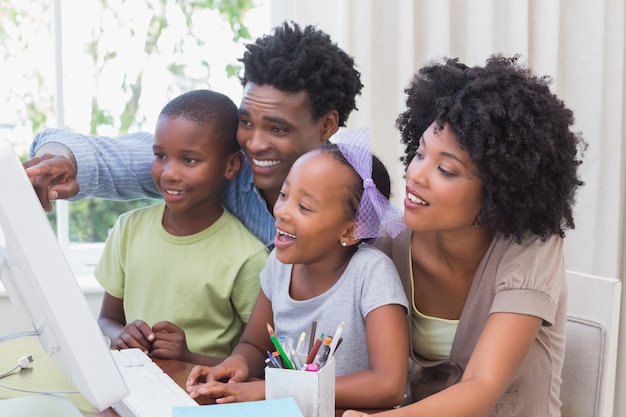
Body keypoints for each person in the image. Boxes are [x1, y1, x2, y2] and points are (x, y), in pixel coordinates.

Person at [343, 55, 587, 417]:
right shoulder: (390, 243)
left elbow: (482, 386)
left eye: (445, 169)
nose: (416, 175)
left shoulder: (532, 246)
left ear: (498, 190)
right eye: (420, 153)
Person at [23, 21, 363, 247]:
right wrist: (62, 157)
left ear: (327, 126)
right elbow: (107, 157)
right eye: (247, 122)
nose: (254, 144)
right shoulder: (222, 164)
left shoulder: (357, 196)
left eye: (277, 128)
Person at [185, 129, 410, 409]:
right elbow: (254, 345)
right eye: (284, 194)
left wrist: (277, 390)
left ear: (352, 230)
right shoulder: (278, 266)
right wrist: (236, 363)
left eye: (304, 206)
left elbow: (388, 386)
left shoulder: (372, 273)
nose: (282, 211)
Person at [95, 89, 268, 366]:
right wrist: (122, 337)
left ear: (231, 165)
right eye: (160, 155)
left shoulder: (248, 256)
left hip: (200, 398)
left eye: (189, 160)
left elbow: (258, 358)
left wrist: (187, 358)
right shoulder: (128, 229)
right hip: (135, 388)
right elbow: (106, 320)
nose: (169, 173)